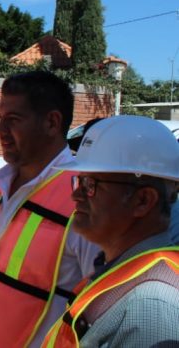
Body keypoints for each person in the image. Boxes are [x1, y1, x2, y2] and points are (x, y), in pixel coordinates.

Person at [0, 71, 99, 348]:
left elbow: (99, 305)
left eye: (13, 120)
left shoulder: (83, 198)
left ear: (52, 123)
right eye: (0, 118)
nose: (0, 130)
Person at [38, 115, 179, 346]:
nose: (76, 195)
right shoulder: (120, 272)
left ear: (142, 200)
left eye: (91, 185)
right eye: (79, 181)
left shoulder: (152, 307)